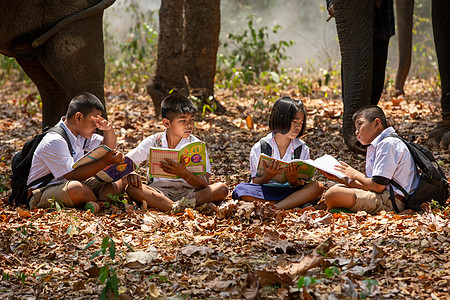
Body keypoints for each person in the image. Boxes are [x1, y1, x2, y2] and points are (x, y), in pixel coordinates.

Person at [122, 94, 229, 212]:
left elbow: (204, 183)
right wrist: (131, 173)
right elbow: (126, 163)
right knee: (132, 190)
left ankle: (171, 207)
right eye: (182, 120)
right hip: (159, 192)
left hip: (189, 193)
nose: (189, 125)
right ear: (166, 123)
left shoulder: (196, 145)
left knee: (222, 189)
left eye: (192, 119)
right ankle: (179, 208)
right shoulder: (154, 141)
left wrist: (183, 173)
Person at [28, 92, 124, 210]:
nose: (97, 126)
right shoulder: (54, 140)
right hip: (43, 191)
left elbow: (107, 148)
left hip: (73, 184)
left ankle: (97, 204)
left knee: (118, 180)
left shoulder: (81, 135)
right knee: (77, 189)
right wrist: (105, 162)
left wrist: (108, 130)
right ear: (78, 117)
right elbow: (72, 175)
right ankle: (101, 203)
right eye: (94, 122)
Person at [323, 105, 420, 214]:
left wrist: (354, 174)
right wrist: (339, 178)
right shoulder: (377, 145)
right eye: (355, 128)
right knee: (336, 188)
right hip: (384, 196)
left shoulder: (389, 144)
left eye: (360, 124)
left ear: (376, 123)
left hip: (393, 202)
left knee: (333, 194)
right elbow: (370, 185)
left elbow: (378, 186)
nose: (356, 131)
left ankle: (344, 210)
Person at [232, 97, 324, 210]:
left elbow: (300, 183)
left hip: (291, 191)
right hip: (266, 191)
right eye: (294, 122)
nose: (298, 127)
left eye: (301, 123)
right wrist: (268, 176)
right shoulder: (261, 147)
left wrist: (293, 179)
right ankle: (293, 203)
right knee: (240, 190)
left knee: (318, 187)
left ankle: (276, 207)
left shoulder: (302, 148)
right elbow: (255, 182)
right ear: (281, 119)